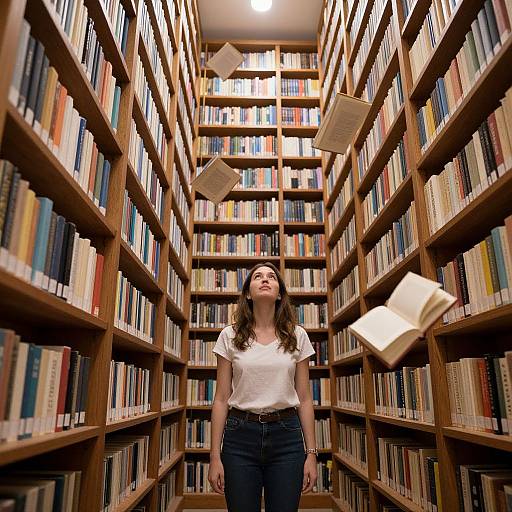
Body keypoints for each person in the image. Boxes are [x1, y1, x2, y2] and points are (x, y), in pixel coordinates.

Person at [207, 262, 318, 511]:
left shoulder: (297, 335)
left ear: (279, 293)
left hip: (287, 436)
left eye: (271, 277)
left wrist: (311, 453)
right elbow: (222, 398)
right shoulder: (229, 335)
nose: (265, 279)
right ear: (248, 292)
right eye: (257, 277)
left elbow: (305, 397)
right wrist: (215, 456)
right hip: (239, 435)